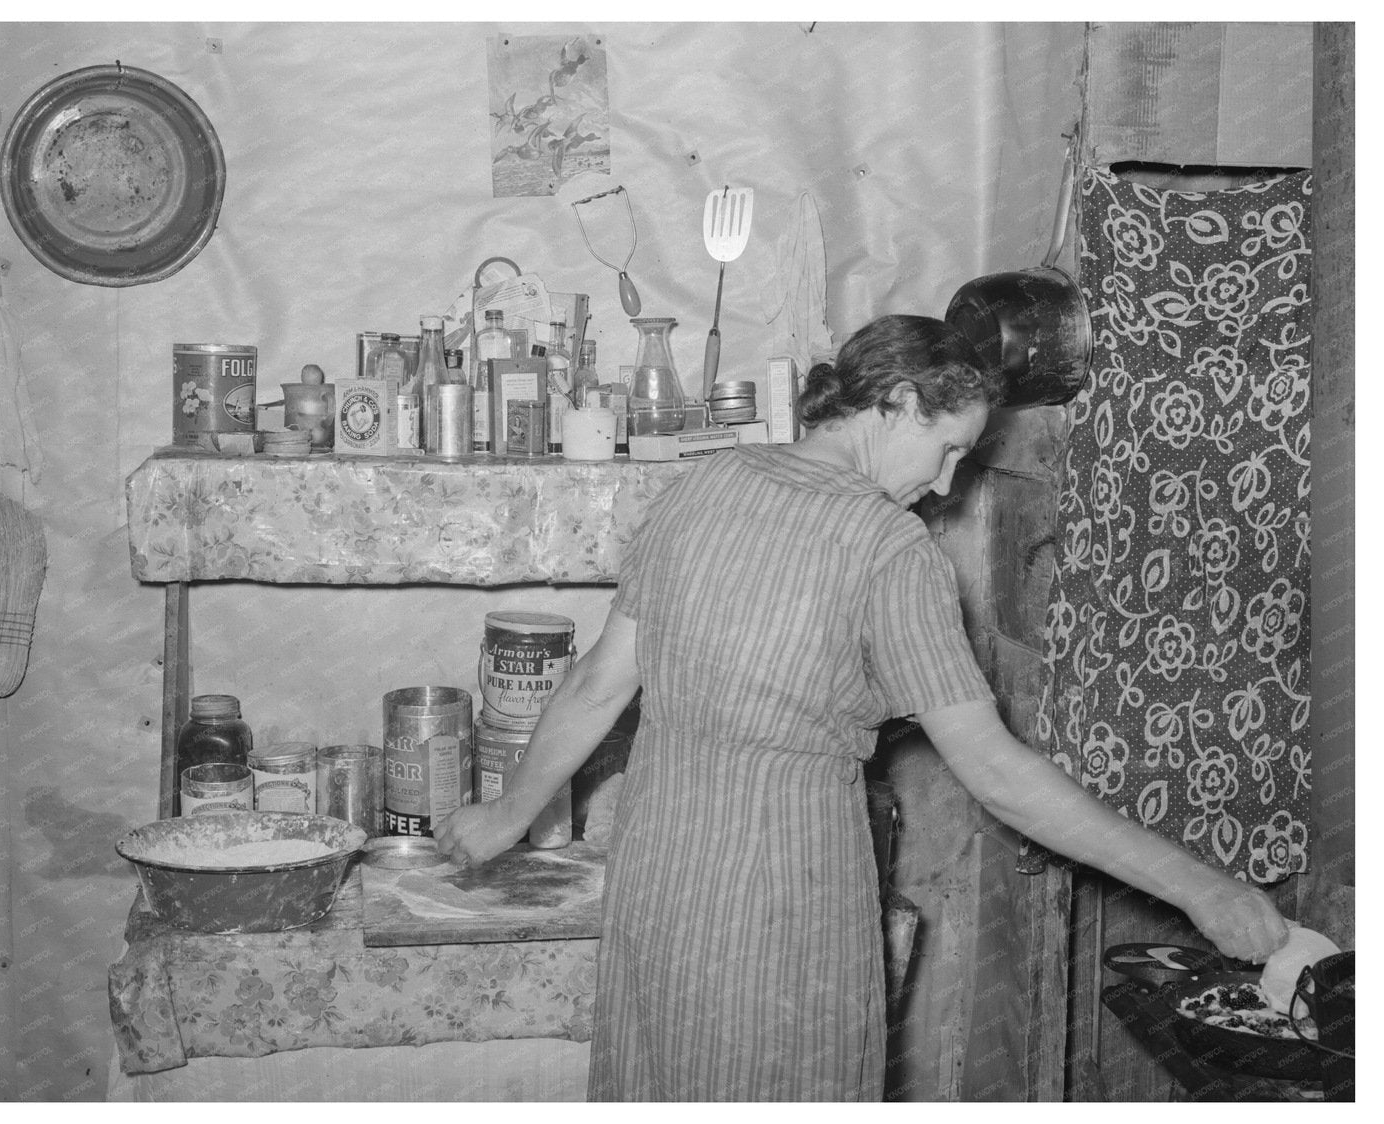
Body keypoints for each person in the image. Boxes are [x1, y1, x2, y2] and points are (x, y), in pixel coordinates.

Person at [434, 314, 1288, 1102]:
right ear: (899, 403)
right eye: (950, 449)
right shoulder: (889, 550)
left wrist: (508, 814)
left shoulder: (706, 484)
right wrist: (1196, 886)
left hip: (661, 865)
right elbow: (997, 774)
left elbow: (597, 684)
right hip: (783, 883)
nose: (948, 484)